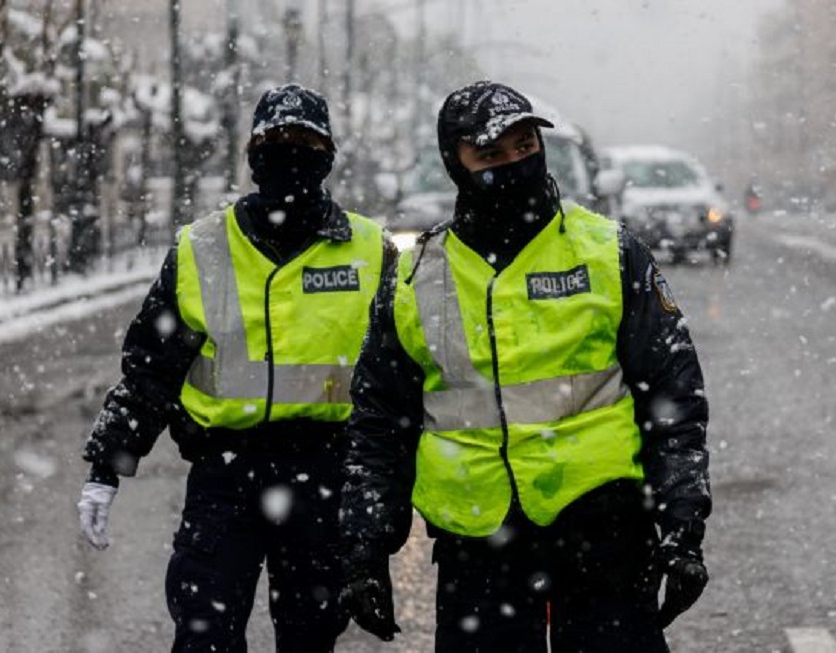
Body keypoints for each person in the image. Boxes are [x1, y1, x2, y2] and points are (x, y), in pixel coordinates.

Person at [338, 80, 712, 652]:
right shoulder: (418, 276)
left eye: (524, 147)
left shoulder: (607, 250)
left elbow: (672, 391)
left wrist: (683, 524)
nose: (513, 164)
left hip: (604, 529)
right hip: (478, 540)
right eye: (489, 155)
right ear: (455, 164)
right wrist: (364, 550)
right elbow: (380, 420)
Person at [76, 84, 393, 652]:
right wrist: (107, 464)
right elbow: (151, 368)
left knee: (311, 637)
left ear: (328, 155)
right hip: (226, 475)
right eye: (275, 140)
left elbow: (400, 380)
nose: (289, 153)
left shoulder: (370, 251)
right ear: (251, 154)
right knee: (204, 632)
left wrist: (384, 498)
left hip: (324, 475)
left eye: (305, 141)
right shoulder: (203, 247)